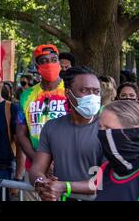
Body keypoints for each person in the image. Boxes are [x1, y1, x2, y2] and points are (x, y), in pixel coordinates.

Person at [29, 66, 105, 201]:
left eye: (96, 91)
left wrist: (64, 186)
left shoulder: (107, 128)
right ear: (68, 93)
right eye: (85, 90)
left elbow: (105, 179)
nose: (92, 96)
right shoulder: (52, 127)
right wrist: (41, 183)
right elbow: (37, 168)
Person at [16, 44, 69, 180]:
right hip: (34, 169)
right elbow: (21, 134)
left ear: (58, 62)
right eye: (44, 61)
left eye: (53, 59)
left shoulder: (70, 91)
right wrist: (39, 161)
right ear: (37, 66)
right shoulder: (26, 95)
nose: (50, 64)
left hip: (66, 167)